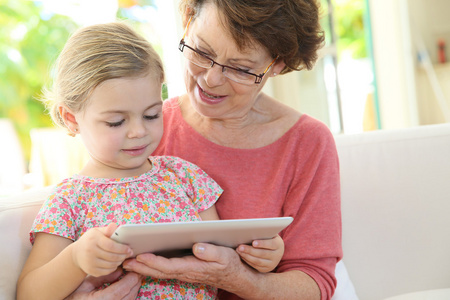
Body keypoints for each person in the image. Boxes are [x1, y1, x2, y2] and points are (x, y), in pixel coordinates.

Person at [16, 21, 285, 300]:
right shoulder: (70, 199)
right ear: (72, 119)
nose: (139, 132)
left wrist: (260, 255)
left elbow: (221, 255)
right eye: (116, 122)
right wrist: (74, 259)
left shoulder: (184, 177)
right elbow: (29, 294)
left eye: (152, 115)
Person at [122, 0, 343, 299]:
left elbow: (314, 285)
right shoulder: (144, 129)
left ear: (276, 65)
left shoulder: (307, 144)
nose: (211, 80)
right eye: (202, 52)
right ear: (188, 19)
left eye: (240, 68)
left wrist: (237, 278)